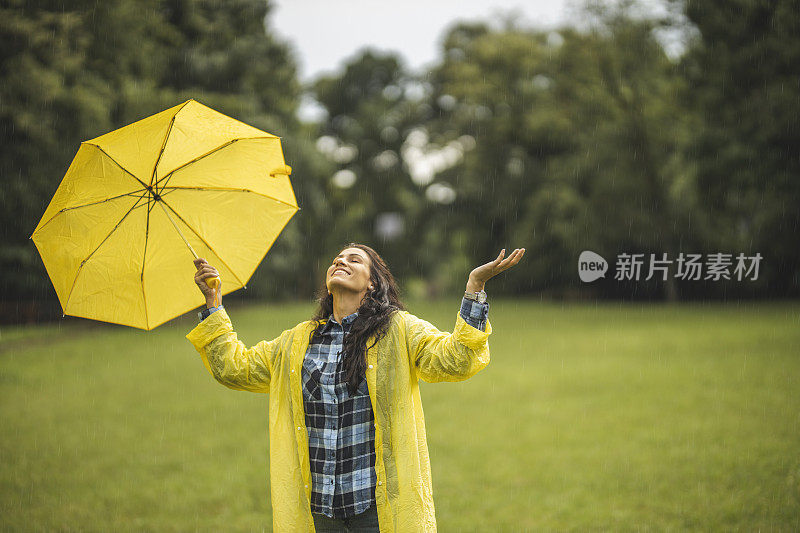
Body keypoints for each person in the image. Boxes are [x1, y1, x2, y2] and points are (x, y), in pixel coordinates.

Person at [187, 244, 524, 532]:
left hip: (375, 512)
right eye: (337, 258)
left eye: (354, 259)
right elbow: (234, 369)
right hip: (319, 513)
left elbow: (457, 360)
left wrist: (475, 287)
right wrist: (214, 302)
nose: (341, 262)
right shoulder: (296, 342)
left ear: (373, 283)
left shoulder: (399, 331)